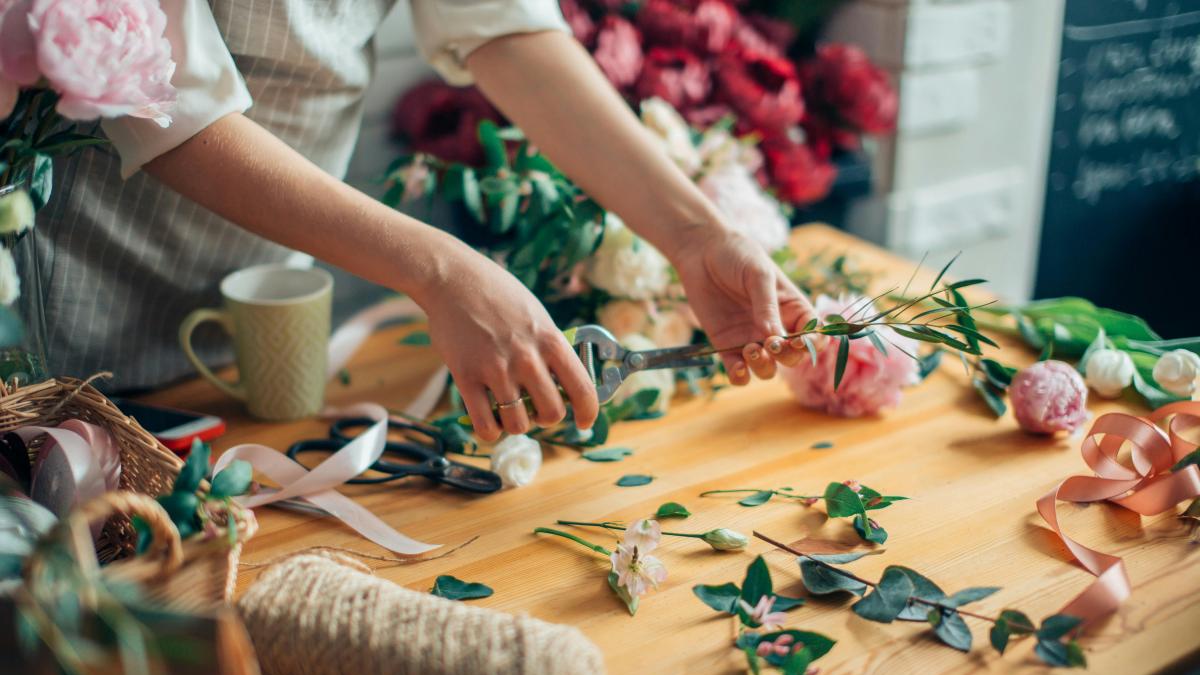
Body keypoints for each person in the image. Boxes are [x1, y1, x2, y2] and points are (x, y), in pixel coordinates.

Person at [39, 0, 815, 442]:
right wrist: (439, 269)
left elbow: (504, 27)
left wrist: (695, 234)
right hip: (71, 292)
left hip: (262, 290)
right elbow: (172, 113)